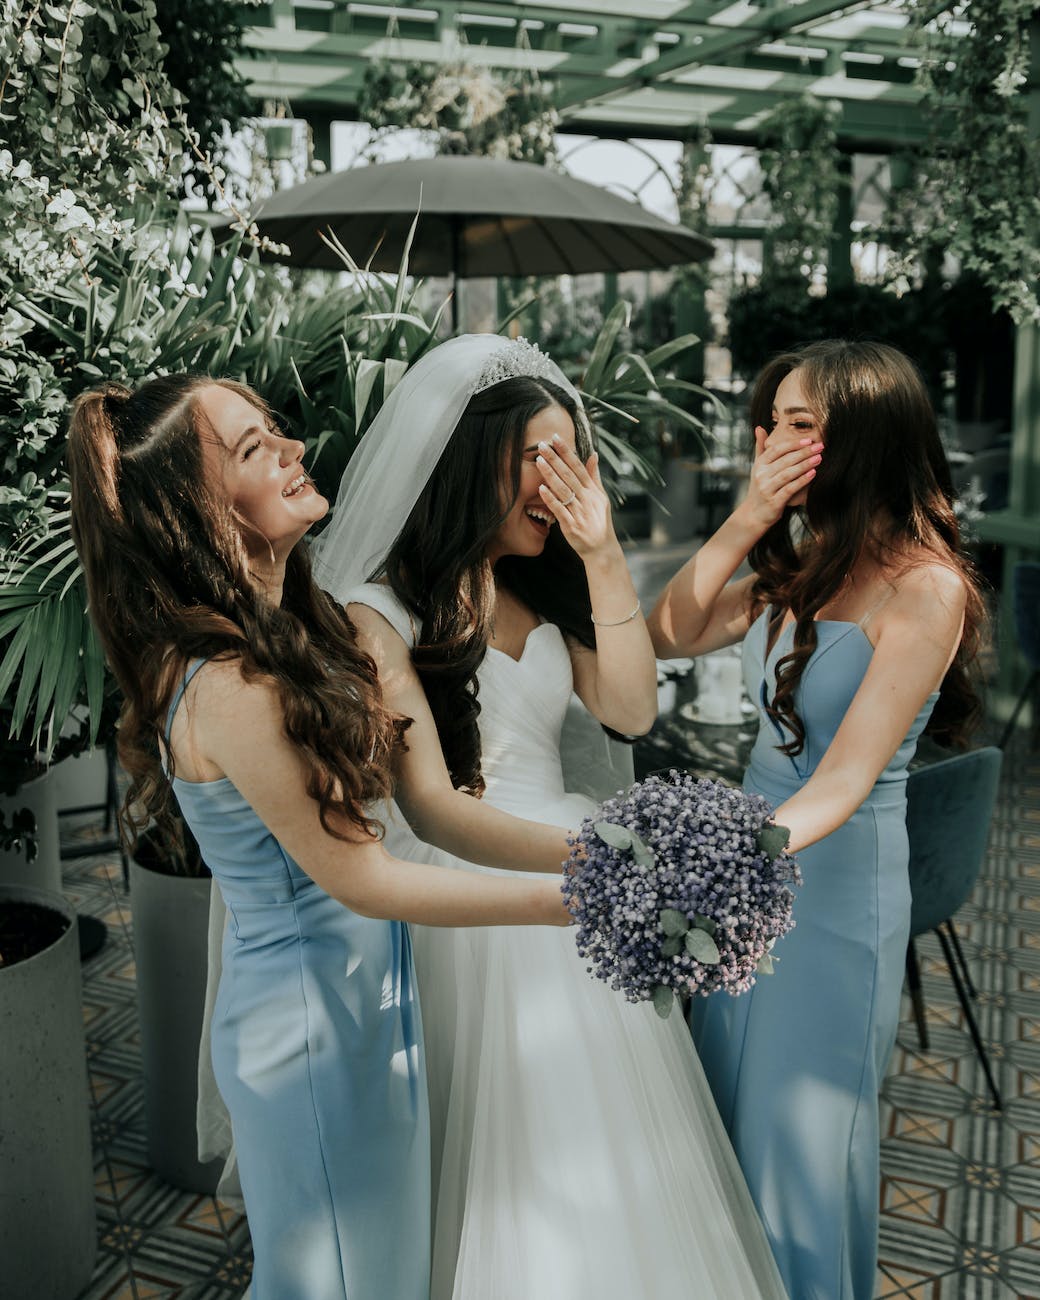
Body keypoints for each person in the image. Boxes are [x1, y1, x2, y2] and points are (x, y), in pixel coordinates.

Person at [66, 375, 575, 1300]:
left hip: (370, 1003)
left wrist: (603, 854)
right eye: (256, 449)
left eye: (277, 431)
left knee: (381, 1274)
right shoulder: (227, 683)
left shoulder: (305, 628)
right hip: (308, 1027)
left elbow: (430, 809)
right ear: (199, 510)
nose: (295, 449)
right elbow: (367, 879)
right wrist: (577, 903)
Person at [313, 333, 788, 1300]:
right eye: (538, 454)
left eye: (572, 451)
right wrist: (609, 857)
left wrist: (603, 554)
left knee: (610, 1140)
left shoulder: (542, 585)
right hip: (475, 888)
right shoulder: (380, 609)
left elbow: (630, 710)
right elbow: (435, 810)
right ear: (467, 459)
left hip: (574, 864)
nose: (560, 475)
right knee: (500, 1160)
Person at [647, 339, 986, 1300]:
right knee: (725, 1107)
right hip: (751, 857)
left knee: (801, 1139)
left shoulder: (929, 587)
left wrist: (714, 865)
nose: (773, 441)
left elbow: (842, 784)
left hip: (829, 882)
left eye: (798, 425)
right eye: (772, 423)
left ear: (862, 435)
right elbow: (669, 629)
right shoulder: (803, 565)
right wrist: (748, 514)